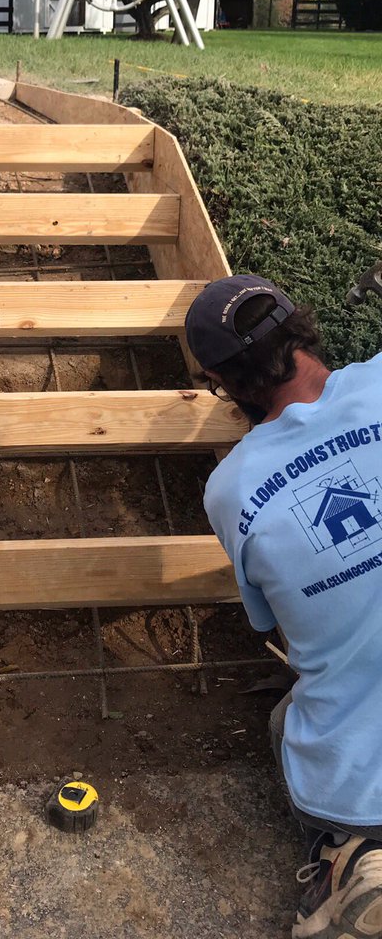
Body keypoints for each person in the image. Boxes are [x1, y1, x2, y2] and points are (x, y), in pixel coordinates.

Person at [189, 275, 382, 939]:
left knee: (285, 722)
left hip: (359, 781)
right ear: (302, 326)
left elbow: (267, 623)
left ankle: (355, 856)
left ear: (223, 382)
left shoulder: (231, 489)